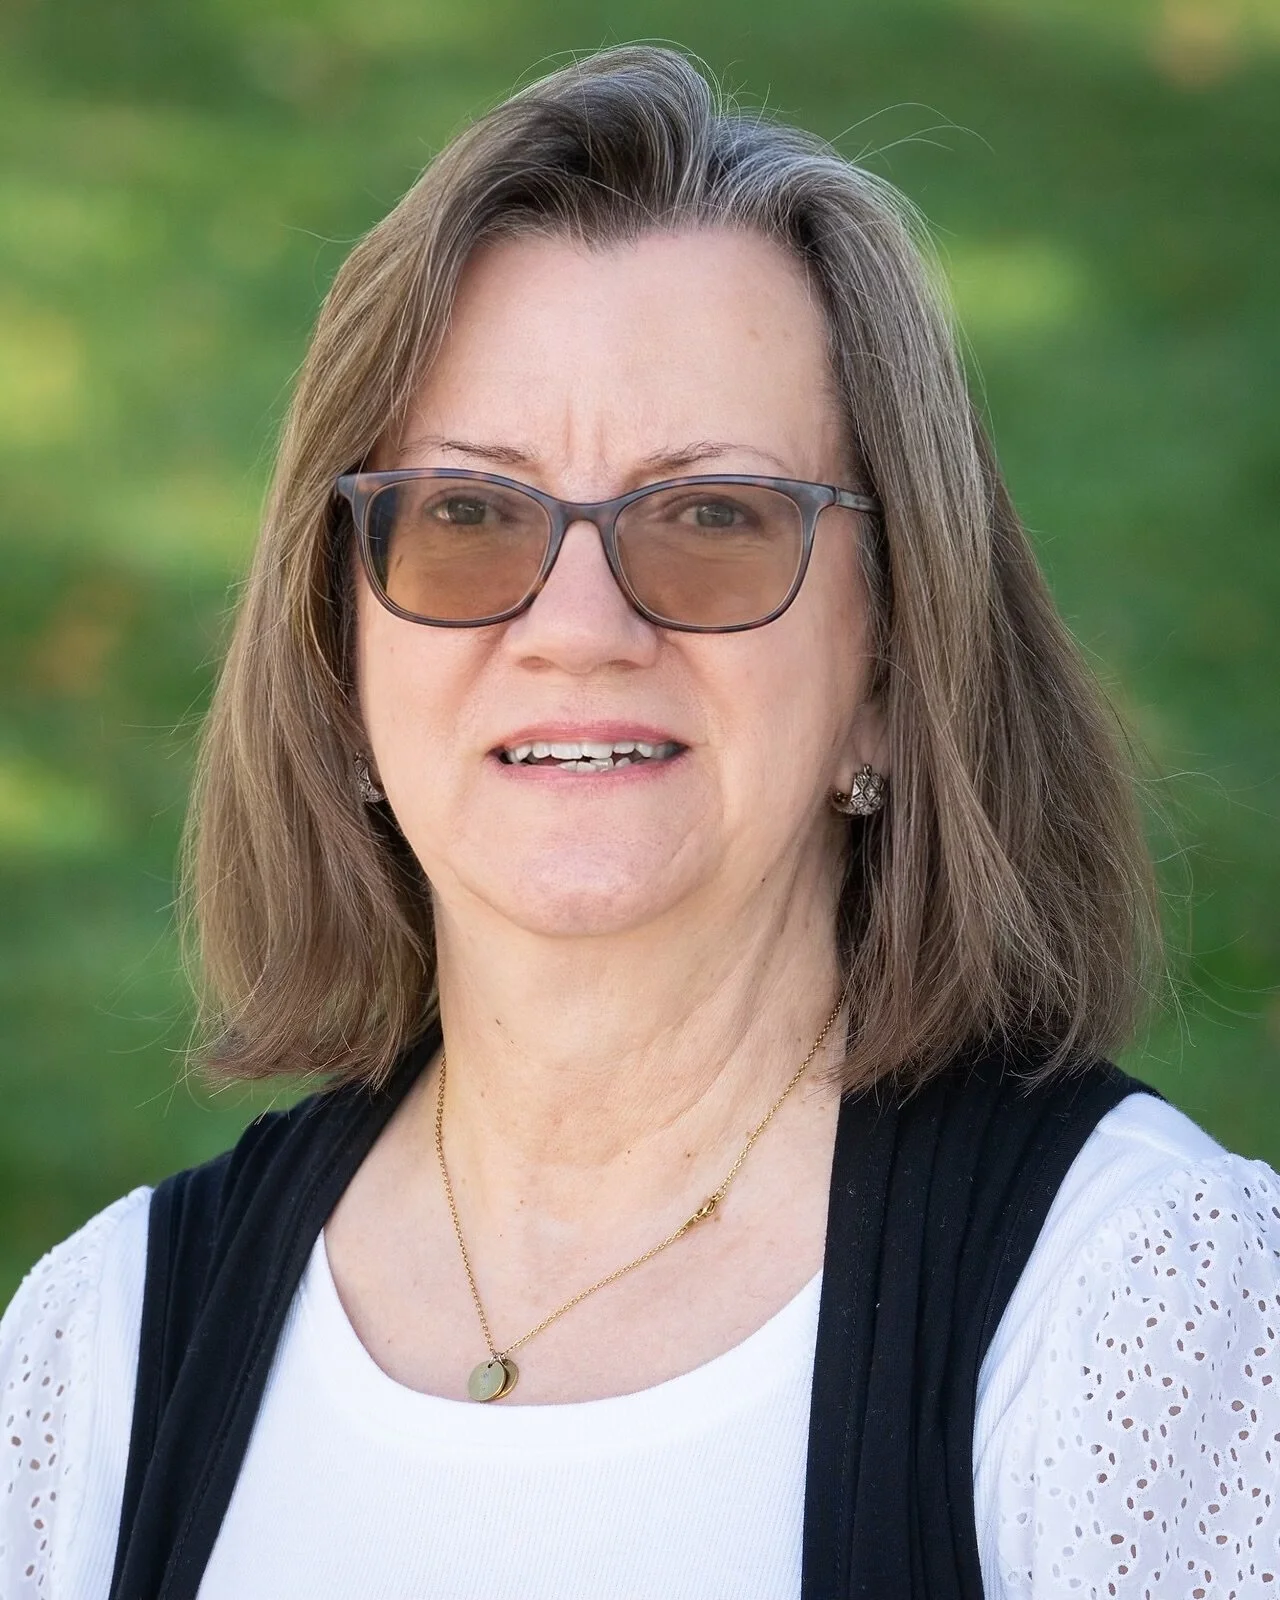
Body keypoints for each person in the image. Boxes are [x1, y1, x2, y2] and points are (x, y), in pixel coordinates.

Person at [2, 45, 1277, 1600]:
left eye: (714, 519)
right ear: (340, 658)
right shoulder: (101, 1353)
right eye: (469, 516)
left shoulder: (1144, 1311)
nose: (579, 627)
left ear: (890, 672)